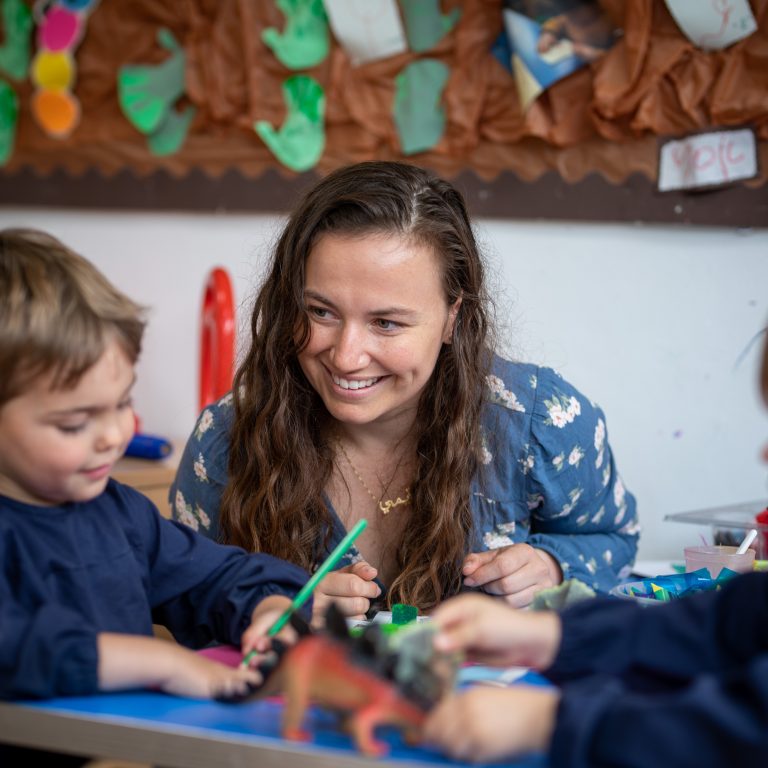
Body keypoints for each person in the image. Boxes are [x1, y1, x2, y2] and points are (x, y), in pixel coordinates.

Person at [171, 160, 638, 623]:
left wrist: (554, 568)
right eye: (320, 312)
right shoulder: (228, 438)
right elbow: (176, 595)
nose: (346, 356)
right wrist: (261, 606)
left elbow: (614, 541)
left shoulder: (540, 422)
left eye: (386, 323)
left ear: (452, 317)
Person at [0, 230, 309, 764]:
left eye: (121, 405)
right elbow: (20, 648)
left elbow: (220, 577)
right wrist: (161, 663)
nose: (112, 436)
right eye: (74, 423)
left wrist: (269, 611)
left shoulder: (119, 514)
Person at [423, 330, 768, 766]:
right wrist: (550, 636)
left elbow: (737, 732)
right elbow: (716, 631)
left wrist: (547, 721)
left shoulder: (535, 416)